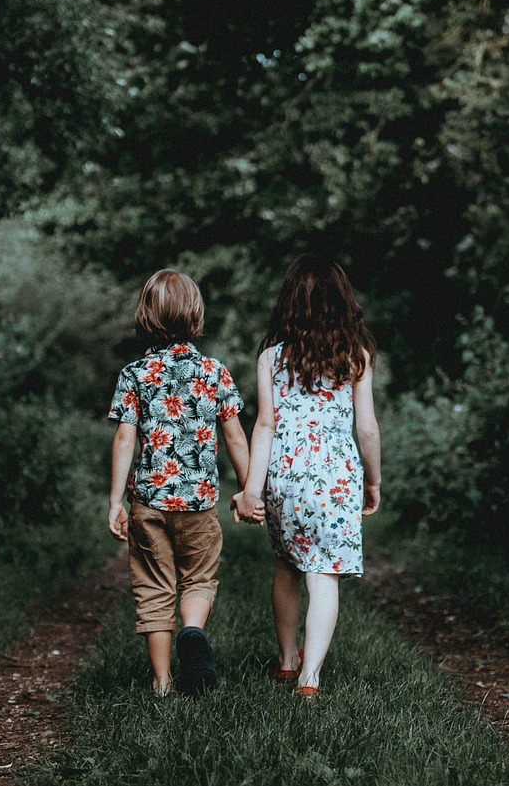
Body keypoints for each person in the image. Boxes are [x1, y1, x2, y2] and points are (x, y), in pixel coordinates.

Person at [233, 254, 382, 699]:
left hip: (286, 476)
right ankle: (310, 677)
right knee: (324, 575)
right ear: (343, 303)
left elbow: (264, 425)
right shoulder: (356, 355)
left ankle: (285, 660)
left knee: (286, 565)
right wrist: (373, 481)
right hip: (336, 477)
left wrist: (251, 490)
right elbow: (367, 427)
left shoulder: (272, 359)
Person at [107, 269, 250, 697]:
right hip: (200, 502)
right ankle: (192, 630)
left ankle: (163, 681)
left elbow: (124, 438)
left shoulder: (134, 374)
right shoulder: (213, 371)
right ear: (196, 314)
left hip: (149, 502)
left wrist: (116, 500)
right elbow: (236, 435)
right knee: (198, 579)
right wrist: (247, 490)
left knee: (153, 587)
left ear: (146, 315)